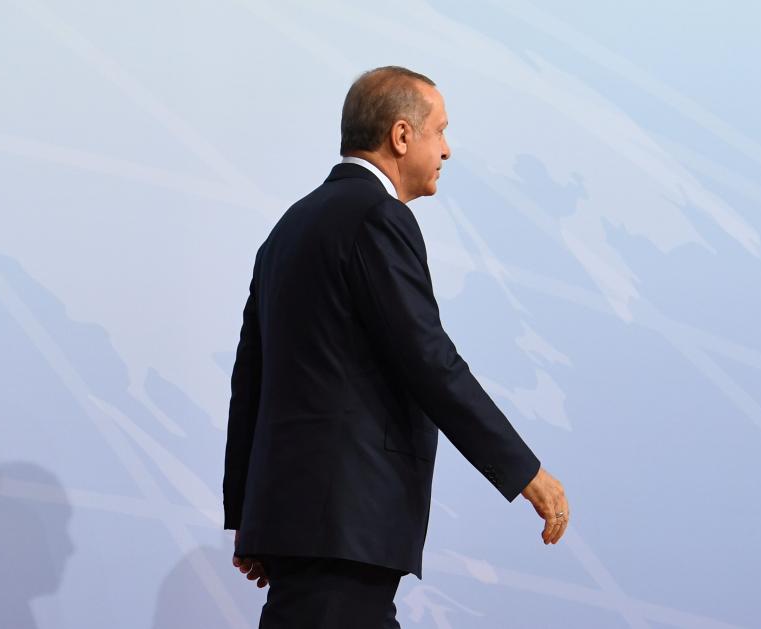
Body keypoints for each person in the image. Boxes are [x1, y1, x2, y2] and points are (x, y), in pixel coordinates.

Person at [223, 67, 570, 628]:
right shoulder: (378, 217)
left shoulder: (288, 227)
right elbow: (428, 359)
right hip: (345, 525)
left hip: (305, 525)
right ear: (402, 136)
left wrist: (248, 510)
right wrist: (524, 471)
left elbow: (250, 380)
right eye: (441, 131)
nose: (448, 150)